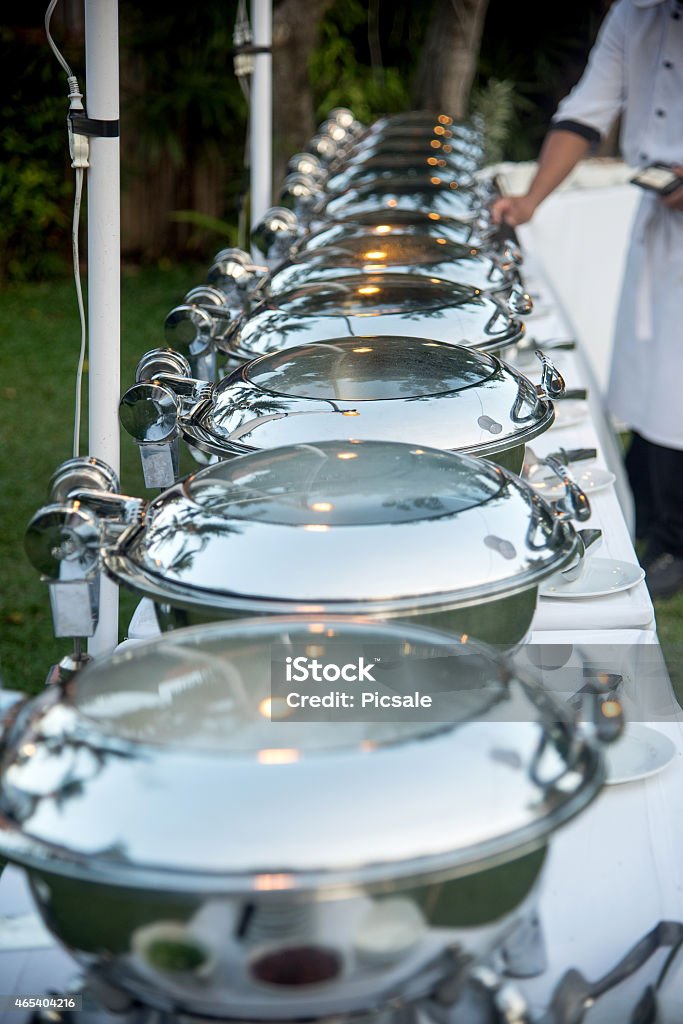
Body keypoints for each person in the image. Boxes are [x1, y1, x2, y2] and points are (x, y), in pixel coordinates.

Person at [490, 0, 683, 599]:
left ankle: (674, 542)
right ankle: (653, 525)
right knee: (646, 378)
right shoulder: (635, 15)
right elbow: (585, 113)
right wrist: (530, 201)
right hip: (659, 221)